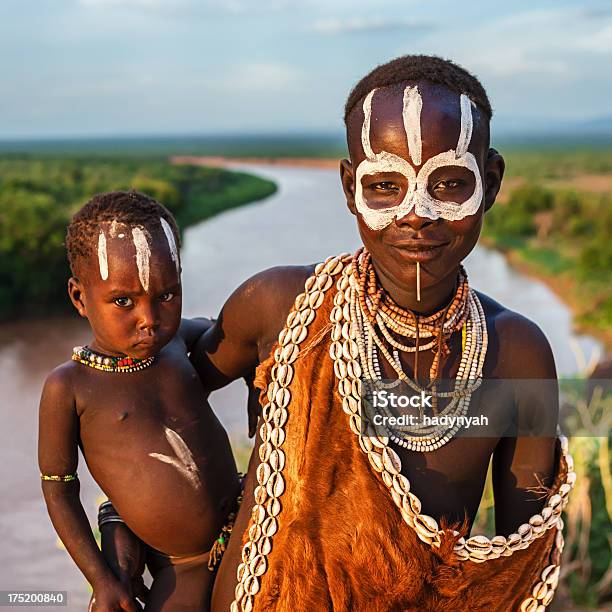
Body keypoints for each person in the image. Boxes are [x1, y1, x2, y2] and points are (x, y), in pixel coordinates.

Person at [104, 56, 575, 611]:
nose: (416, 214)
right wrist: (128, 518)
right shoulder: (281, 309)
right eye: (384, 185)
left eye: (449, 184)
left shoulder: (517, 355)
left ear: (490, 183)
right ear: (351, 188)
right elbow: (149, 385)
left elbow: (522, 562)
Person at [38, 192, 241, 611]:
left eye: (167, 295)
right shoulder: (68, 387)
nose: (150, 318)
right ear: (79, 298)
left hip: (250, 515)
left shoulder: (176, 343)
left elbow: (231, 334)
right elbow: (59, 489)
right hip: (184, 565)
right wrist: (101, 579)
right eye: (124, 301)